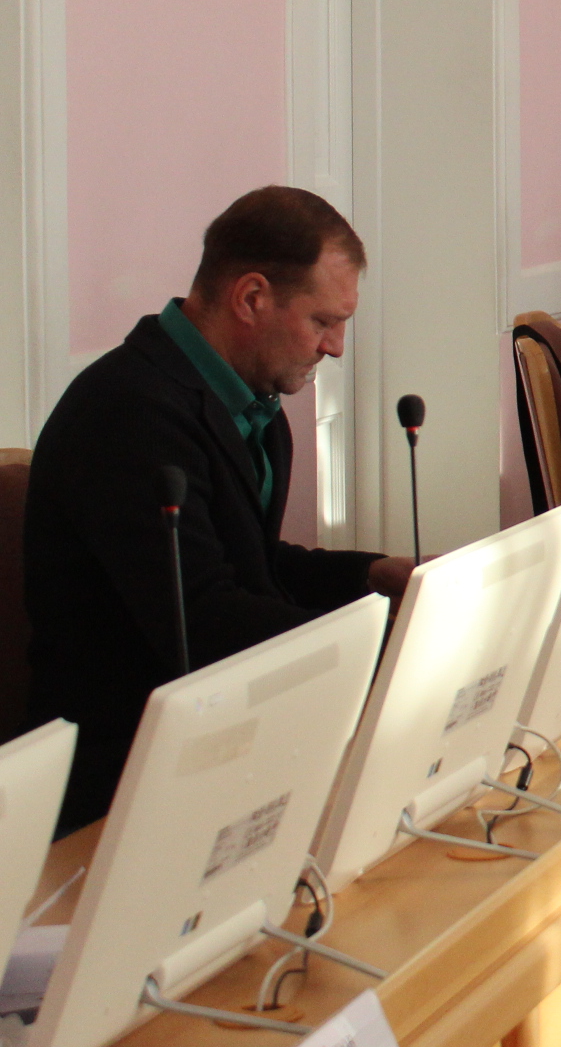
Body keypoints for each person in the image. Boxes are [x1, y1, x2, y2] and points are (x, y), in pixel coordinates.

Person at [20, 186, 416, 832]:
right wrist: (385, 647)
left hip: (226, 743)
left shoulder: (253, 403)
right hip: (125, 787)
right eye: (323, 321)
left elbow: (247, 564)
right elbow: (202, 620)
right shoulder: (128, 413)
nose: (337, 346)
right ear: (251, 298)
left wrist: (369, 578)